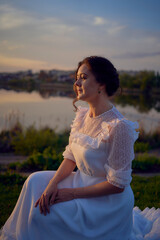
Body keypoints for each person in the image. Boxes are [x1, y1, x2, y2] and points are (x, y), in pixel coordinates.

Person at [0, 56, 160, 240]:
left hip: (105, 202)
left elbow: (118, 185)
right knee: (34, 181)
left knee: (39, 214)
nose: (76, 82)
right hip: (80, 181)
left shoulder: (119, 127)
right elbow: (70, 157)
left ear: (101, 84)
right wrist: (52, 185)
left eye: (83, 77)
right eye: (77, 77)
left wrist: (71, 194)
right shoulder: (82, 116)